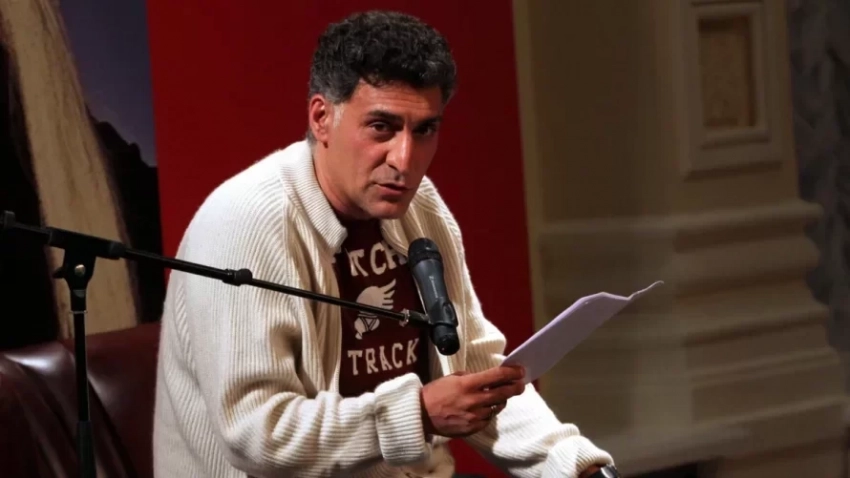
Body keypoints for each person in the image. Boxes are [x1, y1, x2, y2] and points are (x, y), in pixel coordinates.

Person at [153, 10, 616, 478]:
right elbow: (257, 433)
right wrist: (418, 414)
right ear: (322, 119)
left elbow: (476, 374)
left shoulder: (420, 207)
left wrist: (577, 468)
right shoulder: (246, 222)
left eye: (424, 130)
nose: (405, 159)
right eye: (382, 127)